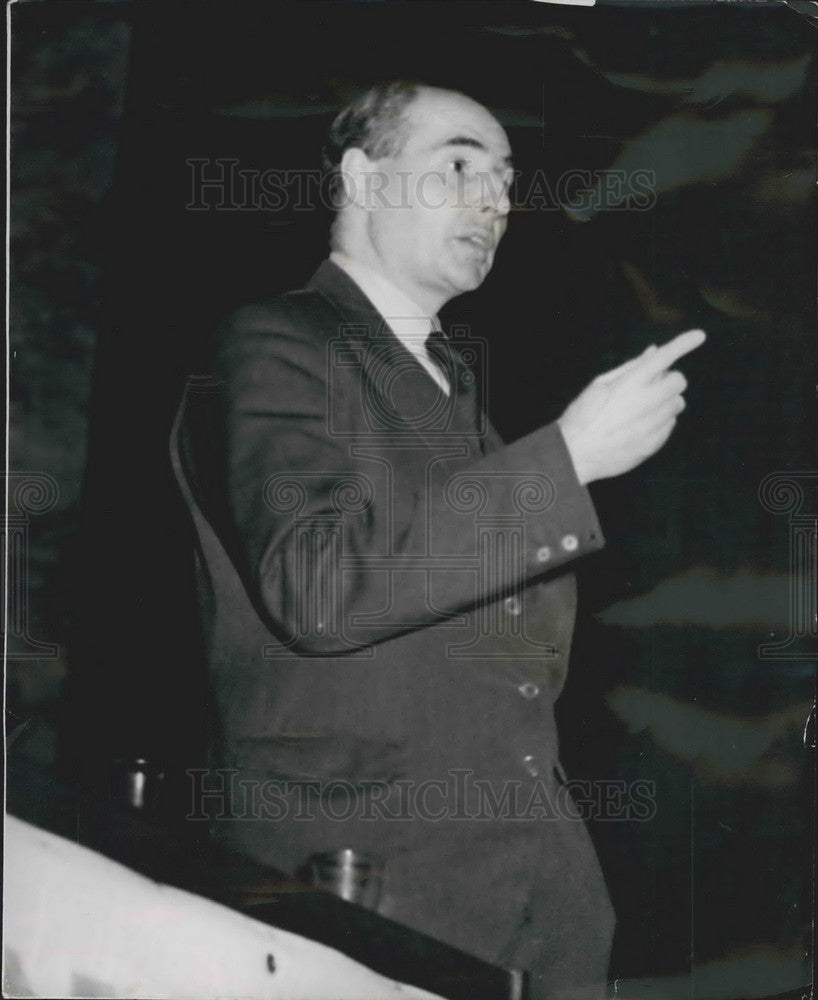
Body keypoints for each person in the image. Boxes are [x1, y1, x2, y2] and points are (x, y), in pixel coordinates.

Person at [171, 81, 704, 999]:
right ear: (361, 179)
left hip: (530, 902)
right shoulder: (272, 342)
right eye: (459, 166)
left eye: (505, 180)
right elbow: (316, 587)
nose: (494, 201)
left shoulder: (455, 393)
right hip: (358, 891)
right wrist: (566, 460)